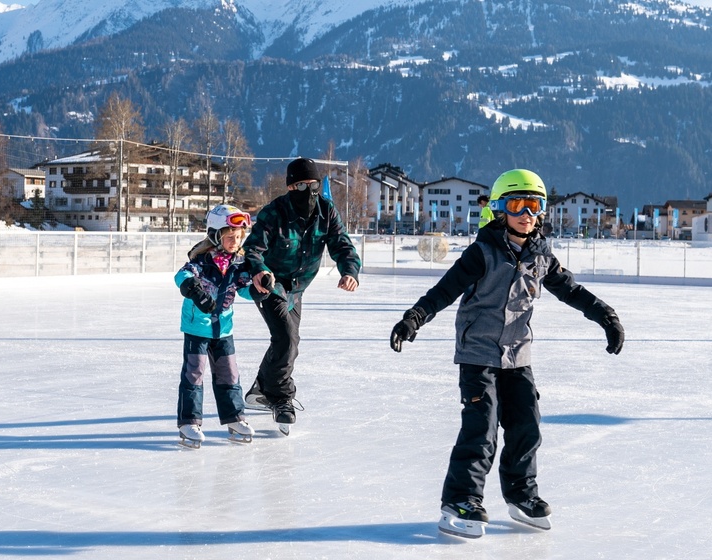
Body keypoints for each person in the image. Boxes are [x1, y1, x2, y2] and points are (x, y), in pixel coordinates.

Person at [389, 169, 625, 538]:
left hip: (518, 357)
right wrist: (413, 319)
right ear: (501, 209)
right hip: (478, 355)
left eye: (535, 205)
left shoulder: (541, 256)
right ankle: (461, 499)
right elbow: (444, 290)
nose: (527, 213)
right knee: (481, 430)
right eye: (519, 204)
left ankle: (521, 495)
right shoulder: (482, 252)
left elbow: (573, 291)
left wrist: (606, 317)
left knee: (526, 425)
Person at [242, 157, 362, 433]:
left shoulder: (326, 211)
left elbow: (342, 246)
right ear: (290, 186)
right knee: (286, 338)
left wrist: (350, 271)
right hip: (270, 284)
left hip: (297, 289)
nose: (308, 191)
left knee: (289, 344)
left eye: (313, 184)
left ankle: (260, 389)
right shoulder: (275, 212)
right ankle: (282, 398)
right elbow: (253, 249)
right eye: (301, 185)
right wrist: (259, 271)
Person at [173, 204, 258, 448]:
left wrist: (259, 291)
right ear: (215, 235)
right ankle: (189, 422)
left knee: (229, 375)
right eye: (230, 236)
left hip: (224, 329)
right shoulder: (202, 261)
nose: (235, 241)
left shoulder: (238, 263)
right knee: (194, 374)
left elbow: (243, 290)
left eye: (239, 237)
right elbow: (182, 276)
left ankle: (235, 418)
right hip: (197, 328)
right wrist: (194, 289)